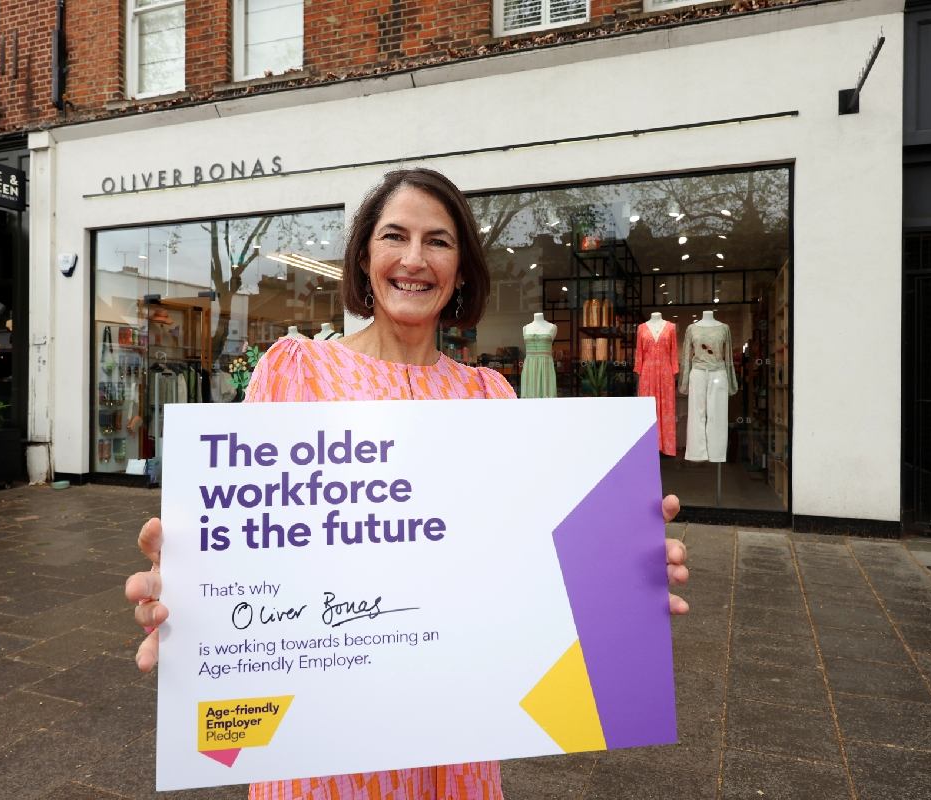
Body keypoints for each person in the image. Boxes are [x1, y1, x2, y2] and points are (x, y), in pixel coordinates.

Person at [125, 168, 690, 800]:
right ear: (364, 258)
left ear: (461, 270)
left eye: (438, 241)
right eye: (395, 236)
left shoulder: (488, 395)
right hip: (323, 749)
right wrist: (191, 591)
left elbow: (524, 558)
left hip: (455, 741)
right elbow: (248, 541)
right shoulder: (297, 372)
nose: (414, 259)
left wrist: (623, 572)